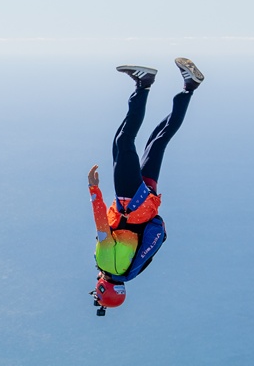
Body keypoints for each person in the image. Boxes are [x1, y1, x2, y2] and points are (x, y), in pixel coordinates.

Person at [88, 58, 205, 315]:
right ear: (103, 288)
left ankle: (189, 89)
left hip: (147, 204)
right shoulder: (108, 263)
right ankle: (144, 84)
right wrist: (94, 191)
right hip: (131, 200)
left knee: (157, 142)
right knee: (124, 141)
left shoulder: (132, 272)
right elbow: (102, 228)